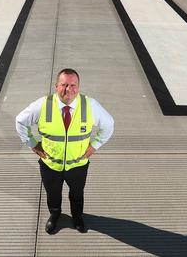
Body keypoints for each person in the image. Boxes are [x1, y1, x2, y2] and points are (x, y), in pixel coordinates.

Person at [15, 68, 114, 234]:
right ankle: (55, 215)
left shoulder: (90, 105)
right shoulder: (42, 105)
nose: (68, 89)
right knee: (53, 194)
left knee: (77, 194)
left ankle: (77, 217)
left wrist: (95, 145)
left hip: (78, 165)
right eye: (64, 85)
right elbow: (20, 121)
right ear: (56, 86)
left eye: (73, 85)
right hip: (50, 165)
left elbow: (109, 124)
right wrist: (32, 143)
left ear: (79, 87)